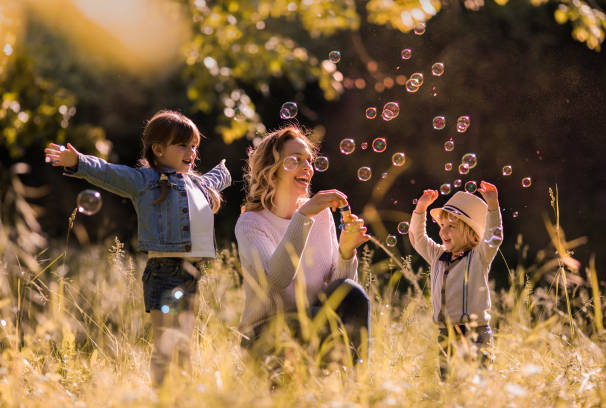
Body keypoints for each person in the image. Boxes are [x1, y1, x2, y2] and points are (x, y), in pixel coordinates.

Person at [44, 110, 231, 386]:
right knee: (167, 344)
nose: (191, 152)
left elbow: (216, 179)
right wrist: (79, 162)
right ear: (158, 149)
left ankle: (182, 398)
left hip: (192, 274)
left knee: (184, 345)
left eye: (194, 146)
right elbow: (109, 173)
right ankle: (161, 397)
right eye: (183, 145)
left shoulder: (197, 183)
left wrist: (229, 167)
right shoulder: (146, 181)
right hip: (164, 273)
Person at [235, 125, 371, 363]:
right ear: (272, 169)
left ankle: (354, 387)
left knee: (353, 293)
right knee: (315, 316)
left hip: (314, 322)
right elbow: (277, 281)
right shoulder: (250, 224)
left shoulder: (321, 216)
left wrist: (346, 252)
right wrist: (303, 217)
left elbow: (340, 291)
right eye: (295, 160)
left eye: (309, 161)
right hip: (264, 337)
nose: (307, 167)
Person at [408, 182, 502, 379]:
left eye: (451, 226)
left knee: (477, 386)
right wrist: (420, 209)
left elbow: (494, 236)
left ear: (470, 231)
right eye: (442, 226)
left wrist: (493, 207)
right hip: (445, 335)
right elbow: (417, 238)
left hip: (475, 335)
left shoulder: (479, 256)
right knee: (449, 387)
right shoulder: (437, 256)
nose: (443, 232)